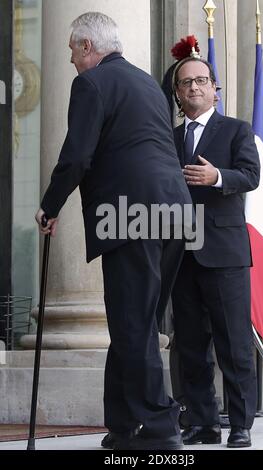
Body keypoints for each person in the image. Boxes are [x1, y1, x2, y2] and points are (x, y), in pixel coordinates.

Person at [35, 12, 194, 451]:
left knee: (132, 322)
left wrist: (50, 206)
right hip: (174, 212)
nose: (70, 59)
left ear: (88, 47)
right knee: (136, 322)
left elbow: (77, 157)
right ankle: (124, 425)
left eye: (71, 49)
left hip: (130, 215)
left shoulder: (91, 84)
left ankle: (159, 429)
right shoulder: (146, 82)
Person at [171, 56, 260, 448]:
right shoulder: (168, 137)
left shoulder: (235, 130)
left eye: (202, 80)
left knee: (233, 343)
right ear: (177, 92)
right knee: (190, 344)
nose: (194, 87)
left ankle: (240, 425)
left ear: (214, 89)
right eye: (186, 82)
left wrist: (217, 176)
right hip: (180, 254)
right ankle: (202, 423)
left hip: (224, 254)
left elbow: (251, 175)